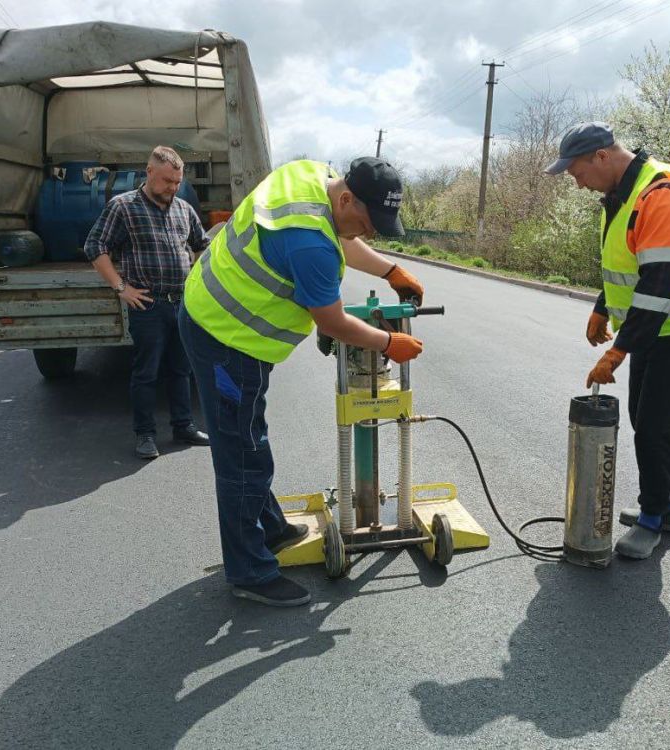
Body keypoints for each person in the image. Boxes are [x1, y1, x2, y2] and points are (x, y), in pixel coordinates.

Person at [179, 157, 425, 606]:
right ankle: (249, 572)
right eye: (368, 223)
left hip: (224, 321)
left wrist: (390, 271)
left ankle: (269, 526)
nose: (368, 233)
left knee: (250, 438)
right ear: (347, 197)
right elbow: (331, 322)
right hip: (226, 337)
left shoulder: (314, 179)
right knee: (241, 454)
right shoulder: (309, 243)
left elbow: (341, 235)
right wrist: (389, 343)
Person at [545, 122, 670, 560]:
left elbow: (661, 282)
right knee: (650, 420)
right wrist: (602, 306)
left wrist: (618, 351)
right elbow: (629, 261)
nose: (577, 182)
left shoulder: (661, 193)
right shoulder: (622, 192)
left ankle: (653, 518)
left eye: (577, 172)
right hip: (654, 328)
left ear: (601, 157)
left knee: (656, 426)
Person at [85, 146, 211, 458]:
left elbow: (201, 245)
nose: (173, 187)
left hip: (182, 304)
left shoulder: (183, 209)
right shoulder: (123, 207)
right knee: (147, 372)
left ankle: (183, 426)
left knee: (182, 369)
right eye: (168, 180)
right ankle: (145, 435)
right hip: (148, 306)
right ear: (149, 172)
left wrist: (194, 274)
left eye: (178, 182)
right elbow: (94, 246)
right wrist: (121, 287)